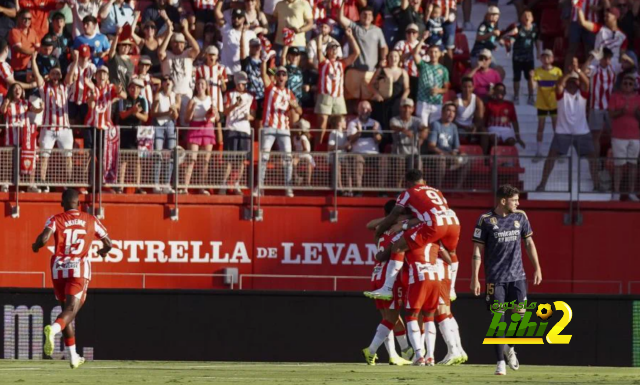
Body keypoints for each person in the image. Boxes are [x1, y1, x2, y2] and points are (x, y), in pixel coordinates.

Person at [32, 189, 112, 369]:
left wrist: (35, 246)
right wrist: (102, 251)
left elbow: (44, 238)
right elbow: (109, 243)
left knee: (66, 312)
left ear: (62, 203)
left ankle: (73, 356)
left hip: (58, 269)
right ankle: (52, 330)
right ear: (79, 203)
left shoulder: (56, 219)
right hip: (78, 269)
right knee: (71, 311)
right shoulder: (90, 219)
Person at [471, 184, 542, 375]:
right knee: (498, 319)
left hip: (518, 277)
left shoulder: (520, 217)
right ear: (503, 201)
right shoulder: (485, 220)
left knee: (521, 316)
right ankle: (500, 362)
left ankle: (509, 347)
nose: (518, 203)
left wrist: (537, 267)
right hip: (495, 279)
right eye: (515, 200)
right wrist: (475, 278)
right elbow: (477, 250)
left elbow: (529, 242)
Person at [368, 169, 460, 301]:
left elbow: (394, 214)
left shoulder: (407, 193)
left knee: (397, 248)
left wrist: (385, 228)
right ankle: (452, 290)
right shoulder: (437, 192)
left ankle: (386, 288)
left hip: (435, 224)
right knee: (452, 253)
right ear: (424, 181)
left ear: (408, 183)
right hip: (453, 221)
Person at [361, 200, 414, 366]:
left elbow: (370, 225)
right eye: (402, 213)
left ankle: (395, 354)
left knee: (389, 317)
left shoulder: (380, 231)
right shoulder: (398, 231)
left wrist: (392, 219)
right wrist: (399, 221)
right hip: (389, 275)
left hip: (376, 274)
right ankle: (371, 350)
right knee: (390, 318)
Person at [536, 60, 601, 192]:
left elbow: (586, 83)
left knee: (592, 158)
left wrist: (577, 71)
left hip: (581, 131)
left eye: (575, 81)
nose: (573, 83)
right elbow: (560, 84)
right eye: (570, 81)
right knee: (551, 157)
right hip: (563, 131)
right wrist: (569, 73)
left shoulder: (582, 94)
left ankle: (597, 185)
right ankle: (542, 184)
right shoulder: (561, 95)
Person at [256, 65, 302, 197]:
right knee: (264, 156)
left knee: (287, 158)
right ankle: (260, 186)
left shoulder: (289, 93)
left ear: (287, 77)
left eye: (283, 74)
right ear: (276, 77)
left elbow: (300, 111)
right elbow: (263, 75)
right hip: (269, 127)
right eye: (279, 74)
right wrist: (264, 60)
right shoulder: (270, 88)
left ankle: (288, 187)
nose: (281, 77)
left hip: (284, 129)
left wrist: (295, 106)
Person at [33, 55, 74, 194]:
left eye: (57, 73)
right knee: (44, 156)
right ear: (49, 75)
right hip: (48, 128)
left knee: (68, 157)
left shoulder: (65, 86)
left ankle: (69, 183)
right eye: (53, 73)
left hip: (64, 129)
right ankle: (42, 182)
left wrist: (74, 61)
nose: (55, 76)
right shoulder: (44, 88)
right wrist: (33, 61)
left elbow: (70, 75)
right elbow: (37, 76)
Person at [315, 28, 360, 143]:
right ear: (328, 50)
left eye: (336, 48)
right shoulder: (323, 62)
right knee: (322, 125)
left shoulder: (342, 63)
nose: (334, 50)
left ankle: (338, 147)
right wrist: (321, 37)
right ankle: (317, 150)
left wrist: (350, 37)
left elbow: (356, 53)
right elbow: (319, 50)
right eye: (332, 47)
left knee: (340, 124)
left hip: (339, 96)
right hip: (325, 95)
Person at [339, 4, 388, 101]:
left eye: (369, 15)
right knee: (350, 99)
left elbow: (383, 47)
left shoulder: (377, 31)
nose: (367, 17)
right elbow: (340, 18)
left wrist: (383, 59)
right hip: (354, 71)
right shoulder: (355, 26)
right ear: (360, 16)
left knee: (368, 101)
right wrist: (343, 3)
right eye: (364, 14)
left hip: (370, 73)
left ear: (373, 17)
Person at [0, 83, 43, 192]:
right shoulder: (7, 102)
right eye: (15, 89)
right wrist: (5, 103)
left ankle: (31, 184)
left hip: (25, 135)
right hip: (11, 134)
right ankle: (5, 184)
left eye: (19, 88)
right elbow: (2, 111)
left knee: (29, 158)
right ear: (11, 91)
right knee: (8, 160)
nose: (17, 90)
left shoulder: (26, 103)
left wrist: (41, 108)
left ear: (22, 91)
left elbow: (35, 110)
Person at [158, 20, 200, 127]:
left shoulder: (188, 53)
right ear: (171, 44)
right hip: (170, 94)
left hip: (186, 94)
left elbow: (197, 49)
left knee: (186, 123)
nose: (178, 45)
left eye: (181, 43)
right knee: (169, 123)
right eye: (175, 42)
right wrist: (168, 35)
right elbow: (160, 53)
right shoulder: (167, 54)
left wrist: (186, 31)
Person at [182, 77, 219, 195]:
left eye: (202, 83)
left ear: (206, 86)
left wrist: (214, 111)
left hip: (208, 128)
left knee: (205, 161)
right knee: (191, 160)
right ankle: (184, 187)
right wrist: (192, 109)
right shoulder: (192, 100)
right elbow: (186, 119)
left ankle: (201, 188)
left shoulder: (211, 99)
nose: (200, 86)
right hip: (195, 128)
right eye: (198, 83)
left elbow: (217, 118)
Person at [221, 71, 255, 195]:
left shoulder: (251, 96)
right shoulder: (229, 94)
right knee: (229, 160)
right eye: (240, 83)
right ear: (236, 83)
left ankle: (236, 184)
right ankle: (223, 185)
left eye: (244, 84)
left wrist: (248, 117)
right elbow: (224, 112)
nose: (242, 86)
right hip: (231, 128)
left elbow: (254, 115)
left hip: (244, 130)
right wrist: (235, 105)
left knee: (241, 160)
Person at [608, 74, 640, 201]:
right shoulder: (615, 96)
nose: (627, 85)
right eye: (625, 83)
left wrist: (637, 113)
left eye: (630, 84)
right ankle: (616, 192)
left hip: (635, 136)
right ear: (621, 84)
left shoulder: (638, 98)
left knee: (633, 164)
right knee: (618, 165)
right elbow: (611, 114)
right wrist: (622, 111)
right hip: (619, 136)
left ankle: (631, 192)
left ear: (634, 86)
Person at [582, 47, 616, 160]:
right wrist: (591, 57)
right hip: (596, 107)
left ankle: (612, 162)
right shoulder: (594, 69)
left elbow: (629, 66)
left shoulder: (613, 68)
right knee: (595, 136)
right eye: (605, 58)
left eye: (609, 58)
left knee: (615, 135)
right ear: (600, 59)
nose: (607, 61)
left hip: (611, 108)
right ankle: (594, 163)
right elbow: (582, 71)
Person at [117, 78, 149, 194]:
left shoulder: (143, 100)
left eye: (137, 87)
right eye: (132, 87)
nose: (134, 89)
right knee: (123, 160)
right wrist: (132, 111)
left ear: (140, 89)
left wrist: (136, 113)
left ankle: (138, 186)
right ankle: (120, 187)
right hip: (125, 131)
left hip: (138, 133)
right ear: (129, 88)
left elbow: (145, 118)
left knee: (136, 161)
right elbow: (122, 115)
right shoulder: (124, 99)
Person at [427, 102, 469, 190]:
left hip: (449, 156)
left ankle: (457, 189)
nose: (451, 114)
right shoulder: (435, 124)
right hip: (435, 156)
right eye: (448, 110)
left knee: (466, 158)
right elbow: (431, 146)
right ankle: (438, 189)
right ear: (442, 112)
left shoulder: (454, 127)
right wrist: (445, 154)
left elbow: (456, 147)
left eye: (453, 111)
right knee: (441, 158)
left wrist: (456, 153)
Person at [346, 101, 384, 196]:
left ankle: (382, 190)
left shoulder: (376, 123)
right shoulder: (352, 123)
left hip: (373, 154)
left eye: (367, 109)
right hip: (358, 153)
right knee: (357, 159)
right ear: (358, 110)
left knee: (384, 159)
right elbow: (351, 139)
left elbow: (379, 140)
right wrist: (359, 132)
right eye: (362, 108)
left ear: (370, 110)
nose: (364, 111)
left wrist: (375, 131)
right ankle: (358, 190)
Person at [531, 49, 563, 161]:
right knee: (540, 127)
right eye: (543, 57)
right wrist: (531, 78)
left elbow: (561, 87)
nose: (546, 59)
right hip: (542, 103)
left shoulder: (558, 71)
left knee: (557, 128)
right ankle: (539, 152)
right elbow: (533, 87)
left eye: (548, 57)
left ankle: (559, 151)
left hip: (554, 103)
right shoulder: (537, 71)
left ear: (552, 59)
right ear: (540, 59)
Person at [413, 34, 450, 129]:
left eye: (436, 52)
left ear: (440, 54)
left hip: (436, 103)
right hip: (423, 102)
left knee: (434, 129)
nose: (433, 54)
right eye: (431, 52)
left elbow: (446, 88)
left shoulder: (444, 70)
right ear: (428, 53)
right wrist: (423, 39)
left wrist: (438, 91)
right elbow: (415, 54)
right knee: (421, 129)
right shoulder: (423, 65)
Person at [368, 49, 410, 132]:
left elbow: (407, 88)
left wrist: (404, 97)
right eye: (391, 56)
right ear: (387, 58)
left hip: (396, 103)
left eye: (395, 56)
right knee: (381, 125)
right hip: (382, 102)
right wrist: (377, 94)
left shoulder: (403, 72)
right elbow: (371, 85)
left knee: (395, 125)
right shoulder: (381, 70)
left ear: (399, 58)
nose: (393, 58)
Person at [151, 76, 179, 194]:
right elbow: (153, 113)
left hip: (170, 124)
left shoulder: (176, 96)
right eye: (165, 80)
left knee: (170, 154)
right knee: (158, 153)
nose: (167, 82)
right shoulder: (158, 95)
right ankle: (156, 184)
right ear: (162, 84)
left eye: (169, 80)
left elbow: (176, 115)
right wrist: (167, 112)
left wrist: (173, 112)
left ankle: (167, 184)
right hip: (159, 125)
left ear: (172, 83)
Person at [390, 98, 423, 187]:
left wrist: (423, 134)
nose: (407, 110)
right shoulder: (395, 119)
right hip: (399, 152)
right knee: (399, 167)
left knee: (418, 163)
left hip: (413, 152)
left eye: (409, 107)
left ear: (413, 109)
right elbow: (393, 126)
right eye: (404, 107)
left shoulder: (417, 120)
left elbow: (424, 127)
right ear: (400, 108)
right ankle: (398, 190)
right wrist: (404, 130)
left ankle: (418, 187)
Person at [511, 9, 540, 105]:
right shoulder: (517, 28)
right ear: (521, 18)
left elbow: (536, 40)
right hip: (517, 57)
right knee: (517, 78)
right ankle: (516, 96)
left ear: (532, 18)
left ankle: (531, 96)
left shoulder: (535, 29)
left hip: (529, 58)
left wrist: (538, 52)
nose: (527, 17)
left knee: (530, 77)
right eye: (525, 15)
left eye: (529, 15)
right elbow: (511, 39)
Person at [485, 83, 524, 148]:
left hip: (506, 129)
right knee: (494, 140)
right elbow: (485, 119)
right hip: (493, 128)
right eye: (498, 90)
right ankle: (493, 157)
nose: (500, 92)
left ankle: (506, 157)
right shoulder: (489, 104)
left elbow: (514, 121)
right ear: (494, 92)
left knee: (511, 141)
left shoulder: (509, 105)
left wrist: (518, 137)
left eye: (502, 90)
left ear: (505, 92)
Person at [220, 10, 257, 74]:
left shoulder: (251, 34)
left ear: (243, 19)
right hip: (227, 71)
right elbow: (217, 12)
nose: (236, 19)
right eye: (234, 17)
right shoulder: (226, 29)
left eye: (239, 17)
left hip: (243, 71)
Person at [565, 0, 598, 70]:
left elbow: (605, 5)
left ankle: (589, 73)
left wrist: (598, 8)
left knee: (590, 50)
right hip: (575, 21)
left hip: (591, 22)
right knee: (572, 48)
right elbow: (572, 4)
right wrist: (567, 25)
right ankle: (566, 73)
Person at [394, 23, 422, 102]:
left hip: (417, 76)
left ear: (418, 34)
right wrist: (412, 52)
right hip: (404, 75)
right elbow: (397, 58)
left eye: (414, 32)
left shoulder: (422, 45)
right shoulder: (401, 44)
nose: (411, 34)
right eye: (408, 32)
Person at [9, 10, 41, 75]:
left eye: (29, 19)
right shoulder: (14, 31)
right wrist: (33, 52)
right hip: (18, 70)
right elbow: (18, 48)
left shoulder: (33, 32)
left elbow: (38, 47)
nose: (27, 21)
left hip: (32, 67)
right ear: (19, 19)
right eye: (24, 18)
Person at [328, 115, 352, 196]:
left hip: (344, 156)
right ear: (339, 123)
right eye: (344, 121)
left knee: (348, 166)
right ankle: (340, 187)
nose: (346, 123)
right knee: (337, 165)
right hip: (335, 156)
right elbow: (330, 147)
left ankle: (349, 188)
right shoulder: (333, 133)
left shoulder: (345, 134)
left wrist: (348, 146)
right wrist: (342, 147)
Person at [454, 77, 484, 142]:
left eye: (470, 87)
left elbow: (480, 119)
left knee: (484, 131)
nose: (467, 89)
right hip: (458, 126)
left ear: (473, 87)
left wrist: (475, 127)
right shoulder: (456, 100)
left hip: (470, 126)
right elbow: (451, 120)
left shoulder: (478, 101)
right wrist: (463, 127)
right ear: (461, 87)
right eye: (465, 87)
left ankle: (483, 152)